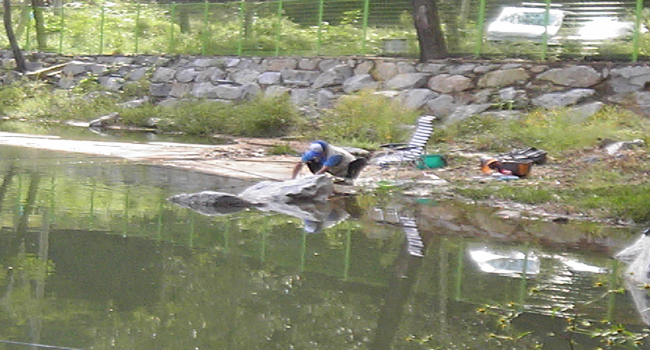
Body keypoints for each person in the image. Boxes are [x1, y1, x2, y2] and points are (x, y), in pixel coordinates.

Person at [292, 140, 367, 183]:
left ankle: (350, 180)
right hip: (332, 169)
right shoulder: (312, 152)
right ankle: (318, 178)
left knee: (361, 161)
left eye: (320, 154)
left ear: (325, 150)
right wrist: (293, 179)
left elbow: (325, 168)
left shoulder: (335, 154)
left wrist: (311, 179)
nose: (318, 155)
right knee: (310, 161)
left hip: (345, 168)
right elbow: (299, 164)